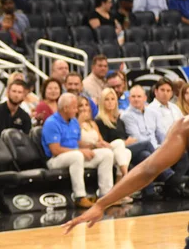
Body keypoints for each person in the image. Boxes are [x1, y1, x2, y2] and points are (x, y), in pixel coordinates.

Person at [64, 97, 189, 234]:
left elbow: (148, 170)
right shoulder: (184, 126)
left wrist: (102, 204)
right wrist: (101, 204)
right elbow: (148, 170)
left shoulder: (184, 126)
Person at [42, 93, 114, 208]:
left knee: (107, 154)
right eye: (75, 107)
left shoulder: (74, 121)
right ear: (65, 108)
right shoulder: (52, 123)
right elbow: (55, 150)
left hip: (75, 157)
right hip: (55, 160)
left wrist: (94, 145)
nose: (77, 110)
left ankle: (106, 195)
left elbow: (78, 142)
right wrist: (80, 151)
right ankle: (80, 197)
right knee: (77, 156)